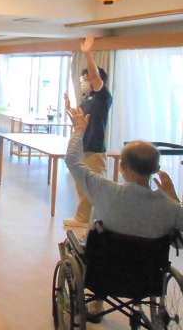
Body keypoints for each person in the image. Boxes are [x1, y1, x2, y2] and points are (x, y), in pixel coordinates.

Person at [64, 106, 183, 320]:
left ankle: (97, 303)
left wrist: (79, 130)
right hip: (147, 279)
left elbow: (72, 160)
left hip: (104, 273)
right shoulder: (171, 208)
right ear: (155, 168)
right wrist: (173, 197)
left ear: (122, 166)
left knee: (97, 218)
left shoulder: (105, 190)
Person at [63, 34, 113, 228]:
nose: (84, 82)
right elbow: (79, 122)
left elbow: (95, 76)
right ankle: (84, 218)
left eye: (87, 79)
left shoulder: (102, 96)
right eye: (83, 79)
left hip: (94, 147)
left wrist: (87, 53)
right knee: (81, 184)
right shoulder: (87, 99)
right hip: (83, 145)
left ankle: (91, 219)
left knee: (93, 185)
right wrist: (68, 108)